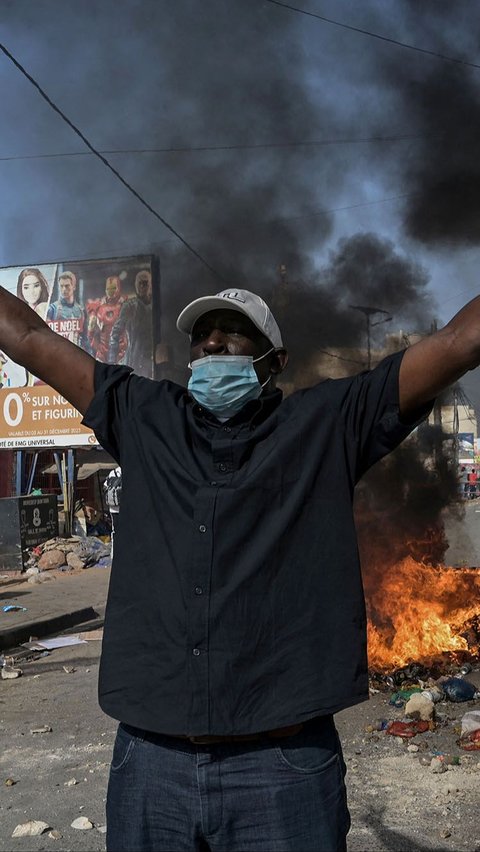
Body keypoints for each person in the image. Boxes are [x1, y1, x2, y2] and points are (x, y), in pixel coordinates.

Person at [0, 282, 479, 852]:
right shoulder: (144, 415)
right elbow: (29, 336)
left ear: (273, 362)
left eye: (233, 335)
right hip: (152, 765)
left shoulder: (327, 424)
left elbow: (457, 341)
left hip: (281, 768)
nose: (212, 345)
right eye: (202, 337)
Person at [109, 268, 153, 376]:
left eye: (145, 283)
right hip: (135, 359)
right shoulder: (129, 306)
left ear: (150, 285)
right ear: (135, 285)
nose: (142, 286)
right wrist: (111, 361)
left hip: (151, 359)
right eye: (140, 283)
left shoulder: (156, 306)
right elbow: (115, 333)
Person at [86, 275, 127, 363]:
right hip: (103, 351)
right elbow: (91, 333)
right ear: (105, 289)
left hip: (120, 351)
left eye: (113, 288)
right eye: (109, 289)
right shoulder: (99, 307)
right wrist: (97, 346)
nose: (111, 291)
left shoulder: (125, 305)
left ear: (118, 288)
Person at [46, 270, 89, 350]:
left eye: (67, 286)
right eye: (61, 286)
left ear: (74, 287)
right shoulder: (52, 309)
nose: (64, 289)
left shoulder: (81, 311)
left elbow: (85, 339)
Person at [103, 466, 122, 559]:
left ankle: (114, 555)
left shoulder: (113, 472)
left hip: (113, 508)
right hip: (124, 507)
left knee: (115, 531)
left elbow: (105, 487)